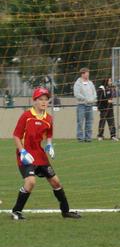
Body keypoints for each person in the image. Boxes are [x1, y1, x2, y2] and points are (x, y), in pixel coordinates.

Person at [11, 87, 81, 220]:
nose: (44, 102)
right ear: (34, 101)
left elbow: (49, 133)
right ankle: (16, 211)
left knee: (56, 182)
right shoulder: (26, 116)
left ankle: (66, 211)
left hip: (40, 154)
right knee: (30, 182)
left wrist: (49, 144)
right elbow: (16, 136)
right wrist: (22, 152)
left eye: (46, 99)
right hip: (26, 155)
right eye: (40, 99)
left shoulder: (48, 118)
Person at [73, 67, 97, 142]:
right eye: (87, 73)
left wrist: (93, 99)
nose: (88, 75)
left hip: (90, 105)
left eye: (88, 73)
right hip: (81, 105)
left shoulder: (90, 83)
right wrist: (85, 99)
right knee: (80, 122)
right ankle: (80, 138)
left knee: (89, 122)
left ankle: (88, 138)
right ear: (82, 74)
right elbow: (77, 94)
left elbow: (94, 92)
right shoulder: (78, 83)